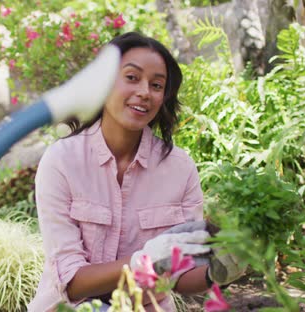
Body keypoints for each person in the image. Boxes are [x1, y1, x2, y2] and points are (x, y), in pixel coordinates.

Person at [28, 32, 243, 312]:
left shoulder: (180, 168)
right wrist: (143, 261)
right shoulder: (62, 161)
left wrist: (215, 273)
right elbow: (72, 282)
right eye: (132, 78)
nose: (144, 92)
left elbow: (179, 275)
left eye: (156, 85)